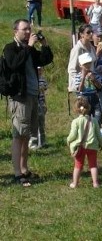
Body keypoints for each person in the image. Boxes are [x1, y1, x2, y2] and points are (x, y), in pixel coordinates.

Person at [4, 19, 53, 186]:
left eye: (29, 29)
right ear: (15, 31)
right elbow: (14, 64)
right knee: (18, 136)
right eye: (24, 29)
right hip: (20, 97)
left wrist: (44, 45)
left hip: (32, 95)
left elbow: (44, 60)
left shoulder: (28, 49)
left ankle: (24, 169)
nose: (27, 32)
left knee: (26, 136)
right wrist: (30, 47)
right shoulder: (10, 48)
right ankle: (17, 174)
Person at [67, 96, 102, 188]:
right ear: (89, 108)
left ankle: (75, 183)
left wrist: (68, 140)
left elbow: (73, 135)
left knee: (78, 165)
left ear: (76, 109)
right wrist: (101, 144)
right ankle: (95, 183)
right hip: (93, 146)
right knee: (93, 165)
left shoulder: (75, 121)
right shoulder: (94, 120)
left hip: (80, 147)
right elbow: (98, 134)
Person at [28, 67, 48, 150]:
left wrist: (45, 104)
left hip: (41, 102)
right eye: (37, 70)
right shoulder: (32, 79)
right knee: (33, 122)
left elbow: (44, 91)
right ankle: (33, 141)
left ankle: (42, 141)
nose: (39, 71)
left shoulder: (43, 80)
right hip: (34, 102)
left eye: (40, 69)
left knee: (41, 122)